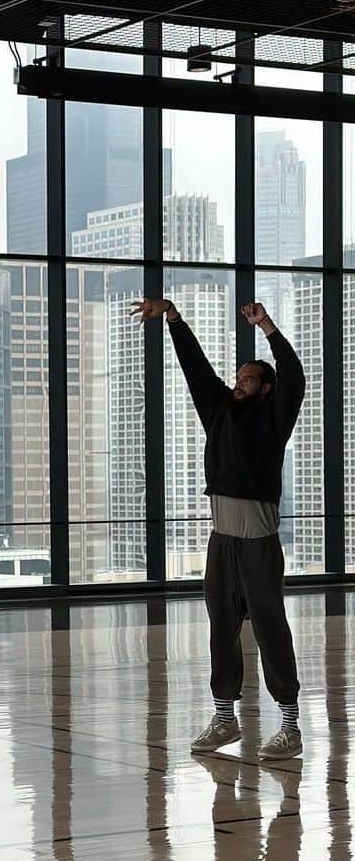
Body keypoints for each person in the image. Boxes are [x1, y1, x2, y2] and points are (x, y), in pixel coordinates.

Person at [130, 299, 305, 761]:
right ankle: (225, 718)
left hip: (258, 544)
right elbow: (196, 369)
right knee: (222, 627)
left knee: (269, 629)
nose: (238, 383)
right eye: (239, 377)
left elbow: (295, 375)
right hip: (222, 541)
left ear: (266, 389)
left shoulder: (274, 416)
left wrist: (266, 326)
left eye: (248, 379)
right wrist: (173, 318)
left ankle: (289, 725)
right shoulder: (220, 410)